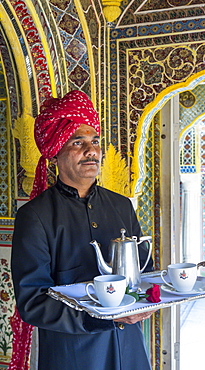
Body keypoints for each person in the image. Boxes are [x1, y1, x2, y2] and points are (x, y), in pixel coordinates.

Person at [11, 90, 155, 370]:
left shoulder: (121, 205)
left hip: (130, 350)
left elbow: (145, 271)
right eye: (78, 142)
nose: (92, 151)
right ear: (55, 151)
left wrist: (150, 299)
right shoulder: (35, 216)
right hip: (74, 355)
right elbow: (32, 301)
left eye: (95, 141)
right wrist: (98, 317)